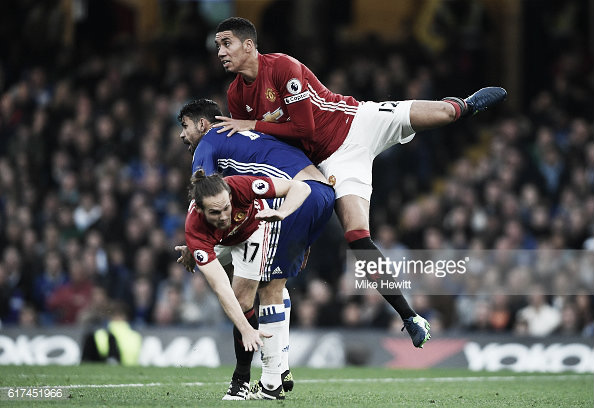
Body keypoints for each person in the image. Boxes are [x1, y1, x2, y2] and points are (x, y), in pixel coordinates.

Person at [212, 17, 508, 348]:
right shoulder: (237, 95)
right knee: (357, 237)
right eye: (218, 46)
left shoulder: (282, 67)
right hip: (334, 161)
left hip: (359, 120)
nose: (220, 51)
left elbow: (305, 129)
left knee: (446, 114)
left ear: (248, 45)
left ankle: (467, 107)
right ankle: (410, 316)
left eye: (227, 43)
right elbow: (267, 150)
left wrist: (252, 123)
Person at [175, 98, 335, 400]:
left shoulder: (212, 151)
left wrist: (286, 215)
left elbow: (200, 191)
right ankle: (278, 368)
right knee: (267, 286)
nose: (182, 135)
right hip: (318, 190)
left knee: (264, 290)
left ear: (202, 124)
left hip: (280, 206)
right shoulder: (237, 159)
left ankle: (270, 377)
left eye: (184, 126)